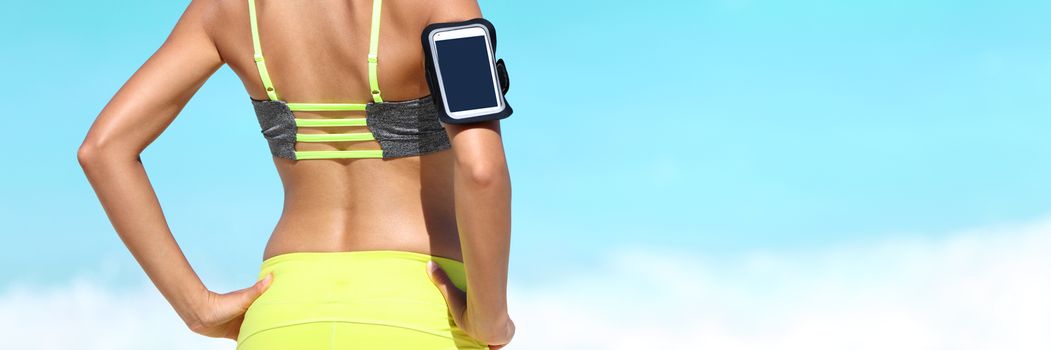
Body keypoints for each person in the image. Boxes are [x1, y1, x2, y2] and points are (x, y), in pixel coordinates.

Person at [76, 0, 514, 349]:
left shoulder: (225, 9)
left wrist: (198, 308)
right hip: (419, 314)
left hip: (281, 316)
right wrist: (488, 318)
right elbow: (481, 170)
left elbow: (103, 150)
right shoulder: (443, 5)